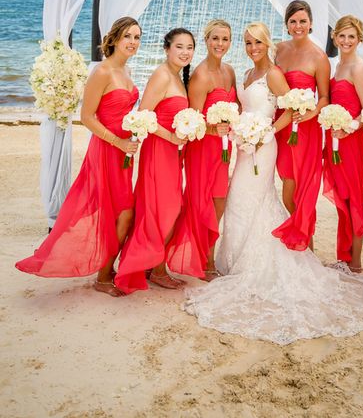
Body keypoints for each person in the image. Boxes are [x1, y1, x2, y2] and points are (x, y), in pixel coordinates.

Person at [183, 22, 363, 344]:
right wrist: (239, 129)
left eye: (258, 43)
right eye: (248, 43)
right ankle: (234, 258)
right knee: (241, 199)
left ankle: (256, 260)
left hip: (262, 146)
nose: (253, 48)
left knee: (247, 196)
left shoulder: (274, 74)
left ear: (268, 44)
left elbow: (292, 108)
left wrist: (264, 132)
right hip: (244, 146)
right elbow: (242, 108)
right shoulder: (248, 73)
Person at [16, 17, 142, 297]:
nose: (132, 42)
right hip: (107, 149)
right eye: (128, 36)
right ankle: (104, 275)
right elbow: (87, 117)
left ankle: (107, 271)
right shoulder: (102, 71)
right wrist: (118, 141)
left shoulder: (127, 70)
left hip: (124, 150)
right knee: (121, 212)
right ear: (114, 38)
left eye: (137, 37)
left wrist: (134, 132)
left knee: (121, 211)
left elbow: (122, 113)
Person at [114, 28, 195, 294]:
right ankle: (157, 270)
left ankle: (153, 264)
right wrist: (171, 137)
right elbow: (143, 117)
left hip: (172, 152)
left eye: (189, 47)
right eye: (179, 47)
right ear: (167, 49)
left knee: (167, 208)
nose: (185, 52)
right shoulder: (162, 75)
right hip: (159, 152)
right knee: (166, 208)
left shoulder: (177, 76)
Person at [167, 20, 237, 280]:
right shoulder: (200, 75)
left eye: (225, 39)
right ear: (206, 41)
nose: (220, 44)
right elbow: (194, 121)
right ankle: (204, 263)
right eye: (215, 39)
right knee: (201, 203)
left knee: (219, 202)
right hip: (202, 149)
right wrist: (213, 129)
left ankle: (205, 255)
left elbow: (236, 109)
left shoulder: (229, 71)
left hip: (223, 149)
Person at [273, 0, 330, 250]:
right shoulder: (278, 50)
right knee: (286, 183)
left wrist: (311, 114)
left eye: (303, 21)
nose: (298, 26)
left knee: (299, 189)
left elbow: (325, 96)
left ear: (311, 24)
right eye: (293, 21)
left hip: (306, 127)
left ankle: (307, 244)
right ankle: (301, 238)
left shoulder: (319, 56)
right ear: (286, 24)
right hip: (281, 123)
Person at [323, 15, 363, 271]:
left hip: (352, 143)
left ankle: (356, 262)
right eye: (342, 35)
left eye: (351, 36)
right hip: (334, 141)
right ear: (335, 37)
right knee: (343, 197)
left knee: (354, 198)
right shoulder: (338, 66)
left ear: (359, 39)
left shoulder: (359, 68)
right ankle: (345, 255)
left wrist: (349, 127)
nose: (346, 40)